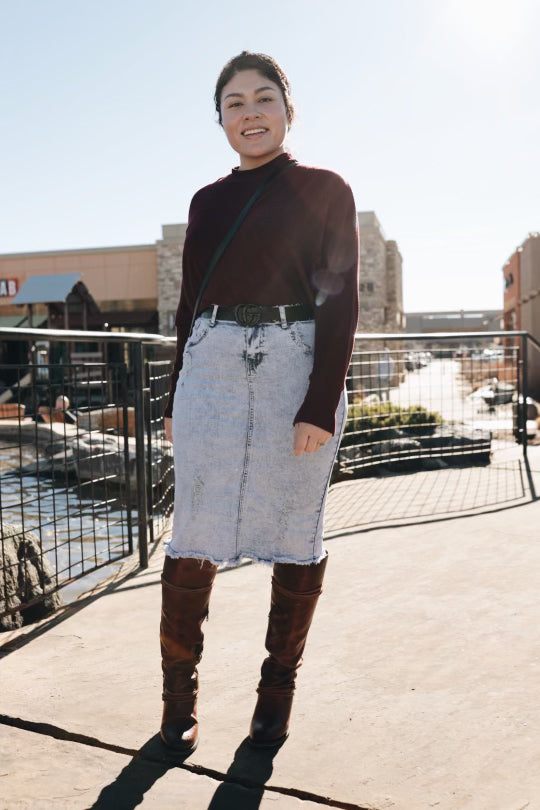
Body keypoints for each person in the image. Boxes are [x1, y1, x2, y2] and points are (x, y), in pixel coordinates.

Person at [160, 51, 359, 755]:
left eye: (263, 97)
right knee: (193, 533)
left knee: (298, 531)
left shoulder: (326, 189)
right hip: (209, 366)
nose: (250, 112)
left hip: (292, 362)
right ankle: (177, 705)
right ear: (220, 119)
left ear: (287, 109)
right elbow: (187, 307)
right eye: (234, 102)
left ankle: (275, 700)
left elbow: (342, 303)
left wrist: (319, 402)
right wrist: (175, 392)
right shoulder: (205, 202)